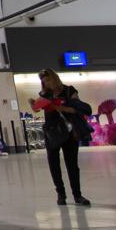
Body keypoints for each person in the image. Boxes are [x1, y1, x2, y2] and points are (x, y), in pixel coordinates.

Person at [36, 69, 91, 206]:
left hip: (69, 131)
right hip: (52, 131)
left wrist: (62, 108)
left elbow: (78, 109)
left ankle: (77, 195)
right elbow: (37, 108)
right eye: (44, 81)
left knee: (72, 164)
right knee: (53, 164)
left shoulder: (69, 91)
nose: (46, 83)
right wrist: (35, 104)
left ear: (54, 78)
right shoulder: (44, 94)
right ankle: (61, 194)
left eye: (48, 80)